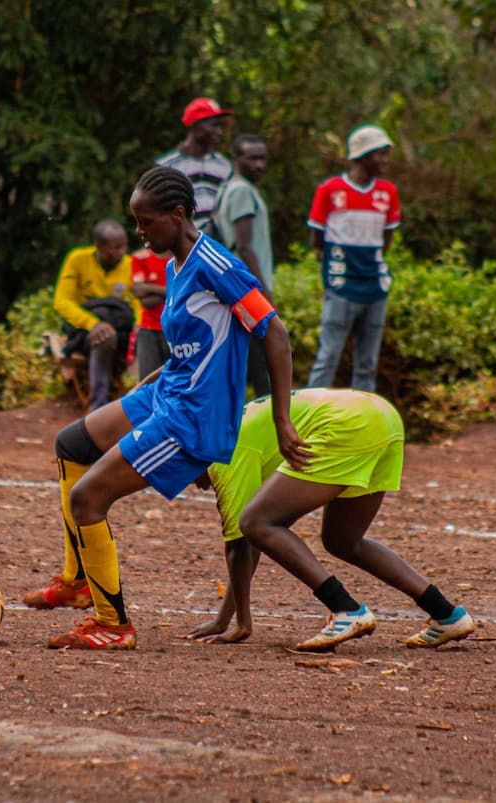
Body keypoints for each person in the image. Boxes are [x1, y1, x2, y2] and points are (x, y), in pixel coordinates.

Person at [24, 166, 305, 651]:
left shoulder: (216, 265)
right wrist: (150, 385)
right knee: (71, 444)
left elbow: (274, 333)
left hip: (190, 416)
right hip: (167, 391)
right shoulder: (176, 265)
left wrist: (281, 420)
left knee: (87, 500)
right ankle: (78, 582)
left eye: (146, 221)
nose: (139, 232)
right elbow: (195, 348)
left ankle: (113, 625)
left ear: (177, 215)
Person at [184, 388, 476, 650]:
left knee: (257, 522)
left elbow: (241, 544)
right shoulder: (231, 426)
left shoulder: (221, 454)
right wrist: (229, 619)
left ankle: (346, 610)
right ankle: (445, 614)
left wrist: (236, 623)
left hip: (346, 423)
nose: (188, 483)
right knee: (343, 540)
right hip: (380, 414)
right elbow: (250, 544)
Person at [306, 124, 401, 392]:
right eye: (380, 154)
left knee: (367, 364)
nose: (385, 160)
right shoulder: (330, 190)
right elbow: (317, 237)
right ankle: (307, 418)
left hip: (375, 285)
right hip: (341, 285)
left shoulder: (387, 193)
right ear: (362, 155)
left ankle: (364, 424)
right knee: (328, 357)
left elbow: (387, 238)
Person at [52, 220, 141, 411]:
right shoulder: (77, 260)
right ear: (98, 246)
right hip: (85, 331)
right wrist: (92, 324)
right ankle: (98, 406)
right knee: (104, 336)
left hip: (120, 328)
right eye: (114, 248)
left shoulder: (130, 264)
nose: (121, 252)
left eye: (124, 246)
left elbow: (137, 301)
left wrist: (140, 325)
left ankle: (139, 406)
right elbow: (62, 301)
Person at [212, 133, 274, 398]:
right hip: (248, 289)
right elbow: (244, 245)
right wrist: (263, 292)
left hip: (237, 288)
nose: (259, 165)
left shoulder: (228, 188)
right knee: (264, 360)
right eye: (252, 158)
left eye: (262, 159)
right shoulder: (241, 191)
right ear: (236, 159)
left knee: (251, 359)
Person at [156, 97, 234, 236]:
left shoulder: (224, 166)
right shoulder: (167, 166)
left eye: (220, 126)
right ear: (195, 125)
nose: (219, 131)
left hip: (218, 246)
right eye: (214, 125)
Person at [128, 247, 170, 381]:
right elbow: (146, 301)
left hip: (178, 329)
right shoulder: (140, 257)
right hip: (149, 329)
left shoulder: (184, 256)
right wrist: (174, 290)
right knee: (148, 384)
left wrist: (149, 288)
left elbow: (189, 290)